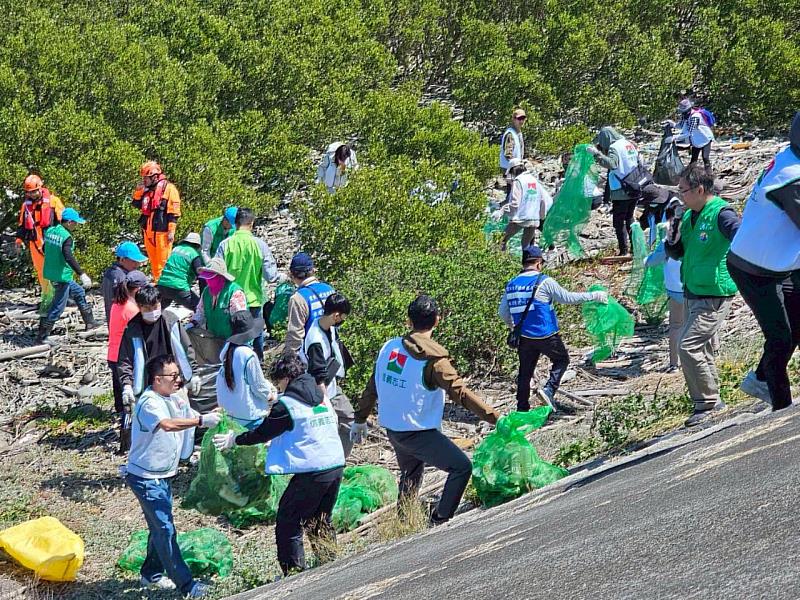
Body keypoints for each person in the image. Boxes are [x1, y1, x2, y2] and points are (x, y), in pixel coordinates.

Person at [351, 295, 500, 525]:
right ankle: (440, 518)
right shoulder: (434, 361)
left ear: (408, 321)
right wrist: (496, 418)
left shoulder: (389, 348)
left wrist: (360, 418)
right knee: (461, 467)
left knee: (411, 473)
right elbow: (460, 394)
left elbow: (373, 385)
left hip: (393, 427)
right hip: (417, 431)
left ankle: (404, 522)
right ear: (437, 320)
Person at [212, 355, 344, 576]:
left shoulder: (287, 405)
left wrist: (235, 439)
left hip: (312, 470)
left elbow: (262, 433)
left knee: (288, 520)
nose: (278, 387)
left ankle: (294, 573)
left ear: (286, 378)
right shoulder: (320, 394)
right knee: (319, 519)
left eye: (279, 383)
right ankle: (332, 566)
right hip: (335, 465)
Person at [124, 354, 220, 597]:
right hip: (145, 478)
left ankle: (151, 574)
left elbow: (188, 414)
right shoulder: (149, 402)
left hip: (163, 475)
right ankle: (187, 585)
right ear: (158, 379)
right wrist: (201, 421)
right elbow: (167, 425)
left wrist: (215, 414)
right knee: (165, 529)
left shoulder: (173, 397)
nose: (179, 380)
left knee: (159, 526)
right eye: (174, 376)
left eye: (179, 375)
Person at [727, 112, 800, 412]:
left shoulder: (789, 156)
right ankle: (780, 408)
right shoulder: (791, 179)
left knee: (795, 327)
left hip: (780, 262)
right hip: (754, 268)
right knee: (781, 337)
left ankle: (760, 376)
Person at [665, 164, 740, 426]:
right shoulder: (688, 216)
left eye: (683, 190)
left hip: (714, 292)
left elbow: (741, 236)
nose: (680, 196)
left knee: (688, 346)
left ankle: (707, 402)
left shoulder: (721, 213)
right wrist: (672, 237)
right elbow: (678, 253)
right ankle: (711, 401)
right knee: (702, 348)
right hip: (693, 290)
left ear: (699, 189)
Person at [499, 245, 608, 412]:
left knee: (525, 372)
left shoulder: (511, 284)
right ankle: (549, 389)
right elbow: (567, 298)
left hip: (525, 337)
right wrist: (594, 296)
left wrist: (514, 327)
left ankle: (522, 409)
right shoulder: (544, 281)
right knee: (562, 360)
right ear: (538, 263)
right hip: (546, 334)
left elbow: (503, 312)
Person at [117, 285, 201, 413]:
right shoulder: (132, 329)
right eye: (147, 308)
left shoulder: (171, 321)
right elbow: (125, 360)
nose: (152, 312)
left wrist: (193, 374)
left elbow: (186, 348)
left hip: (174, 382)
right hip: (147, 386)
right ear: (139, 306)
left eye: (155, 307)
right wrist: (127, 385)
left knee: (181, 417)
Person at [216, 208, 278, 360]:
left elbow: (216, 274)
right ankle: (258, 366)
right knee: (256, 337)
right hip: (253, 300)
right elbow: (270, 276)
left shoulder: (225, 245)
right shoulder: (259, 245)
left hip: (230, 301)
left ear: (235, 223)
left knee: (232, 341)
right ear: (251, 223)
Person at [302, 293, 354, 456]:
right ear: (336, 315)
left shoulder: (328, 327)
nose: (342, 321)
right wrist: (327, 406)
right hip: (322, 392)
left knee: (347, 421)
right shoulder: (315, 341)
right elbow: (318, 378)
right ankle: (336, 459)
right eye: (343, 317)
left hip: (331, 385)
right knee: (343, 424)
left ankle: (337, 457)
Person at [37, 208, 98, 343]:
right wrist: (82, 274)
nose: (76, 226)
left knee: (79, 292)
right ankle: (42, 336)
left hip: (51, 273)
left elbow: (44, 249)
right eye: (75, 223)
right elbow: (68, 257)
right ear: (69, 222)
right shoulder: (66, 237)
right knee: (58, 307)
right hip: (61, 276)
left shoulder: (50, 231)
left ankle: (90, 323)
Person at [107, 270, 148, 452]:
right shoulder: (132, 310)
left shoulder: (117, 303)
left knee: (124, 401)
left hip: (113, 354)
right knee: (131, 399)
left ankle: (125, 442)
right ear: (137, 289)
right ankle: (129, 442)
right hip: (125, 357)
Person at [216, 311, 277, 429]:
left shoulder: (227, 350)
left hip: (230, 415)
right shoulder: (247, 354)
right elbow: (258, 386)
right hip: (249, 417)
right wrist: (270, 396)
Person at [588, 127, 643, 255]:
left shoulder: (614, 147)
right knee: (629, 218)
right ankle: (635, 248)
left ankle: (623, 251)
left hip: (621, 190)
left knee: (619, 222)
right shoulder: (628, 144)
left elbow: (612, 164)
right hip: (634, 186)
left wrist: (596, 154)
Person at [645, 198, 685, 371]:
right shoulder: (693, 236)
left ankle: (674, 364)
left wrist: (645, 260)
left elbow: (652, 261)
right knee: (698, 323)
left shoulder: (667, 241)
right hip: (694, 286)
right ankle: (713, 351)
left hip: (675, 289)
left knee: (676, 325)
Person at [14, 174, 65, 301]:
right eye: (29, 192)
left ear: (40, 188)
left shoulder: (53, 201)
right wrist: (19, 240)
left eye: (33, 191)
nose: (31, 194)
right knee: (41, 271)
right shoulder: (26, 206)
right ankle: (48, 297)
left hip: (52, 241)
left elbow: (63, 221)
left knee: (57, 269)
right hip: (35, 243)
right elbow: (22, 224)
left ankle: (63, 297)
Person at [189, 257, 248, 364]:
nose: (208, 281)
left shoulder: (234, 292)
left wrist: (233, 343)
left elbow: (241, 323)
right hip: (214, 340)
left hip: (233, 342)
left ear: (221, 277)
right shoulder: (207, 292)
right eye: (207, 278)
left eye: (211, 278)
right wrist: (192, 323)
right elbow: (201, 313)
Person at [131, 161, 181, 281]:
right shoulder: (146, 190)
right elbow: (136, 204)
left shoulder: (169, 189)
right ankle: (156, 282)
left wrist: (171, 231)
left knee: (163, 262)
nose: (144, 180)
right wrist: (138, 191)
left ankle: (163, 285)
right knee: (153, 262)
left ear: (154, 177)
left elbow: (173, 213)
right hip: (148, 232)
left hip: (162, 233)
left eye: (146, 178)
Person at [283, 252, 335, 358]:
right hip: (333, 352)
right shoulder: (329, 290)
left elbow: (295, 335)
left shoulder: (298, 298)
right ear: (313, 270)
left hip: (312, 357)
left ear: (292, 275)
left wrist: (290, 358)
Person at [496, 159, 553, 251]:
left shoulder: (518, 181)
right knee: (526, 246)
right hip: (534, 219)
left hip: (521, 218)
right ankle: (530, 260)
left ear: (513, 170)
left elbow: (515, 204)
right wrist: (541, 217)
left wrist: (502, 211)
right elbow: (542, 200)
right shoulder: (534, 180)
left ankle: (501, 259)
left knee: (501, 240)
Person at [101, 242, 148, 323]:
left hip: (114, 322)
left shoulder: (110, 272)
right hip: (124, 322)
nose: (137, 264)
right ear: (122, 260)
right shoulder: (121, 277)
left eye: (138, 261)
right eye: (134, 261)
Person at [156, 232, 203, 311]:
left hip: (162, 285)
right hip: (179, 287)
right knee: (200, 308)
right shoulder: (194, 254)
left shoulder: (175, 249)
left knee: (158, 309)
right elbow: (200, 275)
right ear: (197, 245)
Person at [671, 99, 715, 174]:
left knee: (705, 157)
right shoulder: (686, 116)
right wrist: (672, 124)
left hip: (705, 138)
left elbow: (689, 132)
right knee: (693, 159)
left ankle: (709, 175)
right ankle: (689, 175)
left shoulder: (695, 116)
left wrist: (675, 137)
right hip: (696, 141)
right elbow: (680, 126)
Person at [499, 108, 526, 172]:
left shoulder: (518, 133)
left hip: (515, 167)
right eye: (519, 118)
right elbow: (508, 154)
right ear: (514, 119)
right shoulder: (510, 134)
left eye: (523, 118)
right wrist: (516, 165)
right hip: (509, 169)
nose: (521, 121)